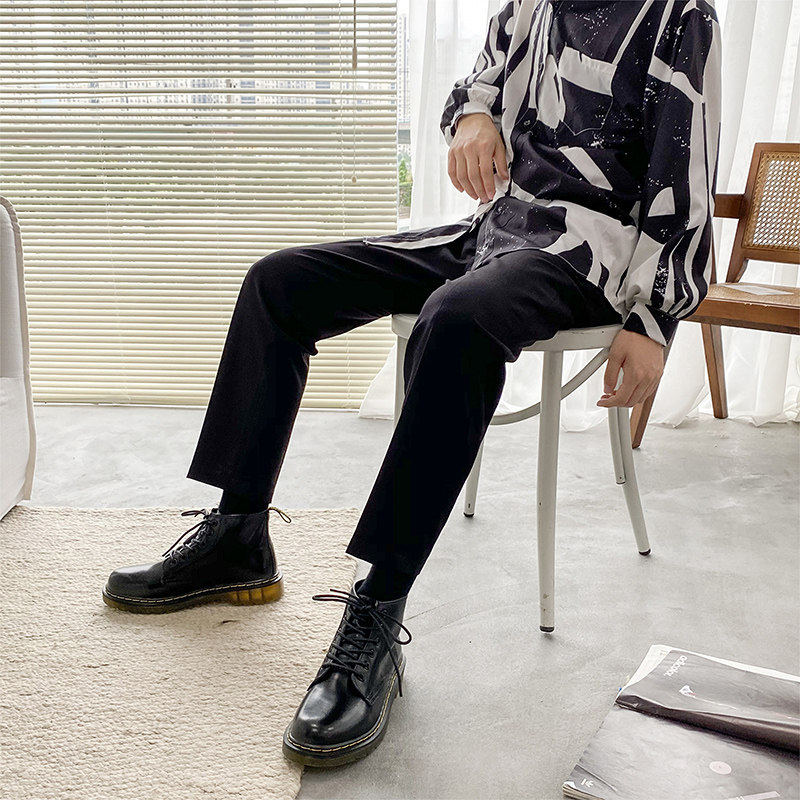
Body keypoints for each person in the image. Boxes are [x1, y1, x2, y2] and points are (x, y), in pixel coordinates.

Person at [102, 0, 721, 769]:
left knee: (454, 321)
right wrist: (472, 116)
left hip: (585, 256)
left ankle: (378, 609)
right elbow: (481, 82)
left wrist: (656, 319)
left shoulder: (680, 16)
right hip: (490, 232)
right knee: (277, 284)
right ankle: (238, 536)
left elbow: (687, 178)